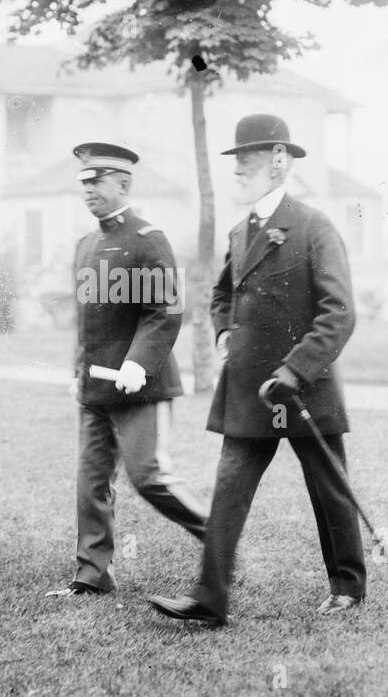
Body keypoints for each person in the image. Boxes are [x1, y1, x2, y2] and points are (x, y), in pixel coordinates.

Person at [147, 114, 365, 627]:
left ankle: (348, 588)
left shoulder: (314, 226)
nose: (239, 168)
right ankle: (210, 598)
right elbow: (222, 293)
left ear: (279, 161)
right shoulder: (240, 231)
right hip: (249, 389)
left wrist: (295, 371)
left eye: (249, 158)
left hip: (303, 389)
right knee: (228, 490)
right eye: (236, 159)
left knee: (328, 488)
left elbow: (339, 313)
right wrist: (225, 331)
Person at [45, 142, 208, 598]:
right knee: (90, 483)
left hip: (141, 387)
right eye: (85, 183)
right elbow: (87, 322)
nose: (89, 190)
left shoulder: (147, 238)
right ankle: (92, 576)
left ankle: (219, 540)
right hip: (95, 389)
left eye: (97, 181)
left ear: (124, 184)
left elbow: (165, 312)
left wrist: (137, 363)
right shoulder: (85, 245)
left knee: (148, 477)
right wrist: (75, 372)